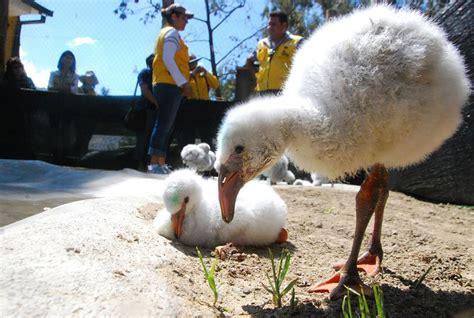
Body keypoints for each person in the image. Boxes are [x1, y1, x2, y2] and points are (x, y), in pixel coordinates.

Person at [147, 3, 193, 174]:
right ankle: (154, 164)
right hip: (169, 84)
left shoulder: (166, 33)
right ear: (174, 16)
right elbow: (168, 59)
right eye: (184, 17)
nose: (186, 21)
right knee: (163, 124)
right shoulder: (171, 33)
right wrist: (183, 83)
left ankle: (160, 162)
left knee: (166, 124)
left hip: (166, 83)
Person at [246, 11, 303, 95]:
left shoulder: (297, 42)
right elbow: (249, 60)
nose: (269, 27)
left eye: (274, 24)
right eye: (269, 24)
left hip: (285, 92)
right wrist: (257, 78)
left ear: (284, 26)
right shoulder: (262, 43)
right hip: (263, 93)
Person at [135, 54, 159, 171]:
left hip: (157, 111)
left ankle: (151, 163)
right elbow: (144, 90)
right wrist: (156, 103)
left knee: (153, 138)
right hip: (145, 109)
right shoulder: (145, 73)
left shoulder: (161, 75)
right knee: (144, 137)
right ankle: (140, 163)